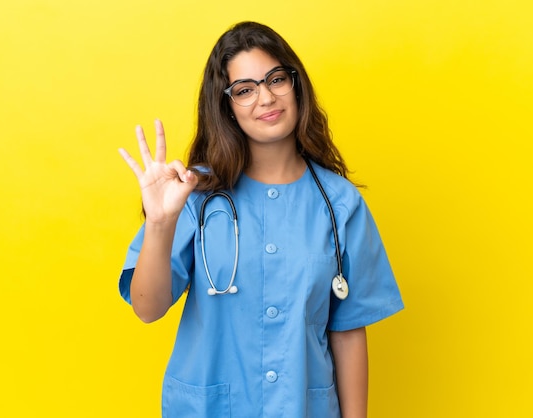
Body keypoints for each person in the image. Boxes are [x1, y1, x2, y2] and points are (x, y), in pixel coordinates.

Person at [118, 21, 403, 418]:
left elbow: (349, 329)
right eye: (246, 90)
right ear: (228, 107)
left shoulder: (340, 204)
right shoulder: (193, 194)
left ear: (295, 84)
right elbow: (148, 309)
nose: (266, 98)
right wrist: (160, 223)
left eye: (276, 79)